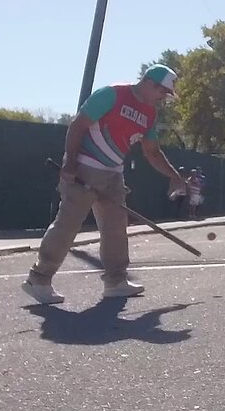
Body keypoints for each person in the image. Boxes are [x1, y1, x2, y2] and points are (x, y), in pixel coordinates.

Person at [21, 64, 184, 305]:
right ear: (150, 83)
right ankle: (39, 278)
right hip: (84, 167)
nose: (164, 97)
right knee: (68, 224)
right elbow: (78, 125)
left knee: (116, 228)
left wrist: (174, 176)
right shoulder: (113, 94)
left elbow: (152, 152)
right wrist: (70, 163)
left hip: (113, 174)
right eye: (163, 91)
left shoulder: (150, 114)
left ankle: (116, 282)